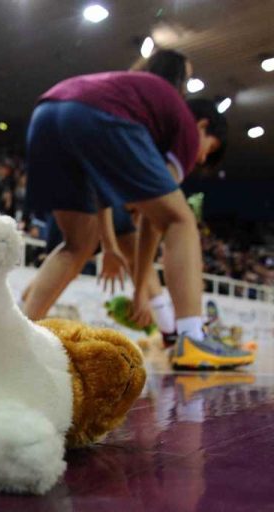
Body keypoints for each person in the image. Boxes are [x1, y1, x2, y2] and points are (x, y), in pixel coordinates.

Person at [22, 69, 249, 367]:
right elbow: (161, 220)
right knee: (182, 220)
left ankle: (14, 338)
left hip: (46, 113)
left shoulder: (142, 121)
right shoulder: (185, 128)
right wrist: (140, 287)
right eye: (211, 148)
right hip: (92, 113)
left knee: (77, 245)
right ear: (203, 126)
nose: (202, 158)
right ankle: (192, 337)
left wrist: (120, 260)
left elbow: (127, 209)